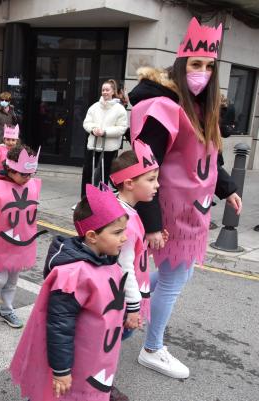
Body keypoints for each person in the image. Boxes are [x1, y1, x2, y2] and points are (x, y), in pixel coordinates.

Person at [128, 17, 241, 379]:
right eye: (196, 64)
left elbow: (208, 157)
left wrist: (228, 188)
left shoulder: (200, 107)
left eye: (209, 66)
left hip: (195, 211)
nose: (203, 73)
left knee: (181, 273)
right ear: (180, 64)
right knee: (175, 278)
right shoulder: (162, 107)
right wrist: (152, 223)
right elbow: (144, 168)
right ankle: (152, 347)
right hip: (169, 210)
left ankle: (131, 303)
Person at [10, 184, 128, 401]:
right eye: (118, 232)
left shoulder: (109, 262)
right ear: (92, 236)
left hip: (97, 355)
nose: (125, 238)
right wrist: (61, 370)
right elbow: (60, 326)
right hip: (76, 360)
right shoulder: (73, 275)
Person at [107, 141, 161, 401]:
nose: (157, 185)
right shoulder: (123, 221)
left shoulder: (125, 211)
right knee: (111, 341)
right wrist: (133, 307)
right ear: (129, 183)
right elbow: (124, 266)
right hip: (121, 297)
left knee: (110, 341)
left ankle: (100, 379)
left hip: (122, 295)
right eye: (151, 179)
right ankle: (100, 383)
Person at [0, 144, 45, 328]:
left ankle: (6, 310)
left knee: (12, 281)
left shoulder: (30, 186)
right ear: (10, 169)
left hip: (20, 245)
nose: (28, 178)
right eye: (23, 174)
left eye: (30, 174)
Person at [80, 79, 129, 199]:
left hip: (109, 146)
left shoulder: (119, 109)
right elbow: (87, 123)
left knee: (105, 172)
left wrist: (105, 132)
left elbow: (122, 128)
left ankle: (102, 197)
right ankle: (84, 197)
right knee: (87, 171)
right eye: (103, 90)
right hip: (93, 144)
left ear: (113, 91)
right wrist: (93, 129)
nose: (105, 92)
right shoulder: (94, 107)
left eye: (107, 90)